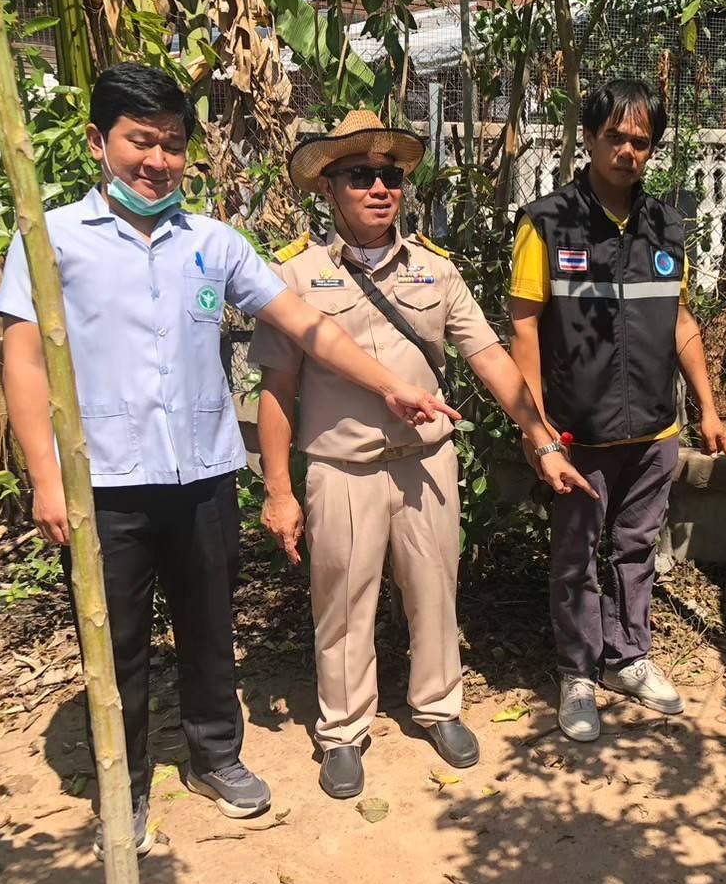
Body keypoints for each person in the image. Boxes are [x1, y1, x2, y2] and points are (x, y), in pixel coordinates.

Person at [0, 64, 455, 856]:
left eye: (173, 145)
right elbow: (24, 358)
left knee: (209, 630)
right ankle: (124, 786)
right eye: (141, 142)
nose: (158, 161)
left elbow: (308, 326)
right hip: (104, 484)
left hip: (203, 475)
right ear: (98, 141)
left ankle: (216, 757)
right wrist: (45, 480)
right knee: (116, 645)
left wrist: (390, 385)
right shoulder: (51, 241)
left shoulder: (213, 244)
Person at [251, 110, 595, 798]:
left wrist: (540, 439)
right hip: (342, 468)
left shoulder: (436, 271)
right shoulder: (296, 276)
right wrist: (280, 490)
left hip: (426, 464)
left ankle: (438, 706)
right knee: (341, 604)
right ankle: (343, 730)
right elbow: (277, 388)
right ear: (328, 188)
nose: (380, 188)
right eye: (360, 176)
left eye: (391, 176)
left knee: (436, 591)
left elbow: (489, 356)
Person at [508, 79, 726, 743]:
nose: (628, 151)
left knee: (637, 548)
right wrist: (534, 427)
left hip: (654, 430)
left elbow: (681, 320)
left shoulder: (667, 223)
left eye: (641, 141)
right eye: (615, 137)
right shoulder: (546, 221)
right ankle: (577, 673)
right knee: (576, 555)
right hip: (576, 433)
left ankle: (628, 657)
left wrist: (708, 408)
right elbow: (523, 325)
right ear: (589, 137)